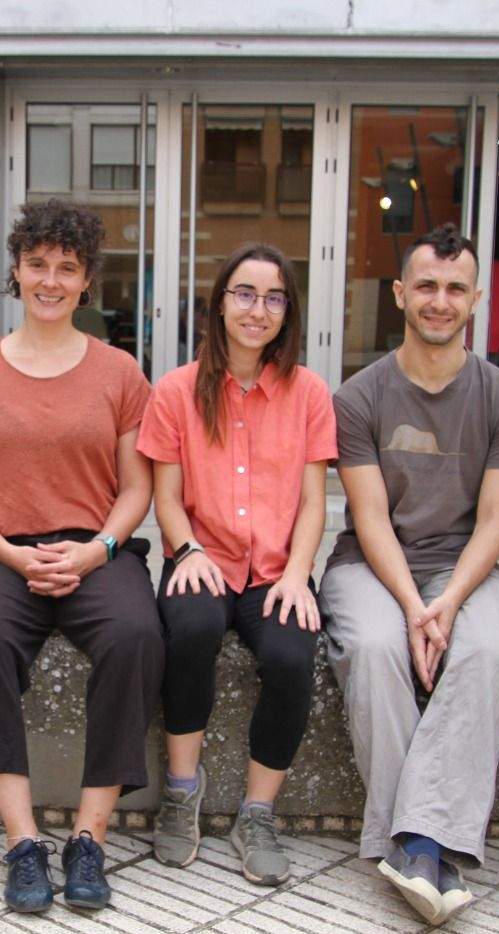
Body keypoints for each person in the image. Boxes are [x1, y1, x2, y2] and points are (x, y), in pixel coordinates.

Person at [0, 199, 163, 913]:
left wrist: (98, 551)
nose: (51, 280)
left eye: (67, 268)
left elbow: (137, 488)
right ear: (16, 270)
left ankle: (89, 838)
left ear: (87, 278)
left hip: (96, 548)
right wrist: (9, 553)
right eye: (38, 265)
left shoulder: (120, 372)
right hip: (0, 550)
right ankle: (23, 840)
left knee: (136, 636)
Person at [322, 224, 499, 925]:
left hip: (467, 566)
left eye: (453, 288)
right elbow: (371, 517)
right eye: (425, 286)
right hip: (373, 567)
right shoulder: (359, 396)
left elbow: (497, 521)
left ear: (476, 299)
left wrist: (447, 603)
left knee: (482, 649)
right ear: (399, 295)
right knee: (377, 647)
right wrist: (418, 608)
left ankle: (414, 844)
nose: (439, 301)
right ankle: (426, 846)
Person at [139, 243, 336, 886]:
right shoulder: (174, 390)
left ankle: (257, 812)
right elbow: (166, 497)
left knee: (290, 654)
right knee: (190, 630)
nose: (258, 310)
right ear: (220, 303)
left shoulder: (308, 393)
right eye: (244, 294)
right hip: (203, 556)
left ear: (288, 311)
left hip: (277, 566)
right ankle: (181, 790)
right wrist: (187, 548)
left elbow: (314, 501)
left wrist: (299, 574)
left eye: (274, 298)